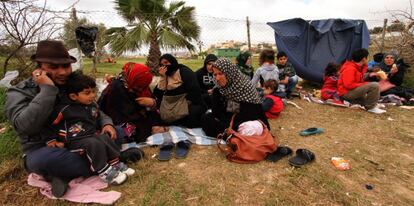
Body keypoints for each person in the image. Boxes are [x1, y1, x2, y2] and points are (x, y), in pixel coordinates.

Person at [5, 40, 114, 197]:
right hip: (47, 148)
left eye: (66, 66)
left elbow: (92, 108)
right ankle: (109, 160)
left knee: (115, 132)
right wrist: (47, 90)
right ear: (39, 67)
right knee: (41, 161)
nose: (62, 72)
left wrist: (106, 123)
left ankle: (67, 173)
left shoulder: (73, 84)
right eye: (54, 67)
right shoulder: (19, 92)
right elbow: (25, 127)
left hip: (81, 140)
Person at [42, 72, 133, 185]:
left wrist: (106, 124)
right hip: (74, 141)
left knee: (105, 138)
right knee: (93, 143)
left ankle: (115, 164)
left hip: (92, 135)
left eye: (94, 91)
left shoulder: (92, 105)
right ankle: (104, 171)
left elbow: (100, 116)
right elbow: (48, 124)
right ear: (73, 96)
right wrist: (51, 140)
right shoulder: (64, 109)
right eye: (87, 93)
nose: (93, 95)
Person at [153, 54, 206, 161]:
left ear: (173, 62)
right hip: (171, 104)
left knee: (193, 114)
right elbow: (158, 94)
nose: (164, 66)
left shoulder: (183, 71)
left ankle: (182, 133)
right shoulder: (165, 75)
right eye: (161, 64)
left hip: (187, 103)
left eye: (166, 63)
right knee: (160, 112)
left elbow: (195, 92)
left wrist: (183, 104)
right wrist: (163, 77)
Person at [201, 58, 270, 137]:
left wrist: (227, 118)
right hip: (229, 119)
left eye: (220, 74)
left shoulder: (244, 86)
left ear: (229, 73)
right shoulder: (219, 88)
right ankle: (229, 134)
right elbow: (216, 113)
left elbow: (253, 112)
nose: (217, 78)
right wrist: (216, 95)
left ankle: (232, 136)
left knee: (249, 128)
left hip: (245, 120)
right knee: (205, 117)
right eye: (215, 74)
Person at [99, 62, 163, 144]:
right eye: (138, 86)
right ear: (133, 79)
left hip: (136, 115)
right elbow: (120, 113)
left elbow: (152, 105)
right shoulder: (116, 87)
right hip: (118, 118)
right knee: (135, 131)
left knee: (158, 119)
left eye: (143, 87)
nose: (140, 90)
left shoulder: (143, 86)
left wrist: (151, 103)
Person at [337, 48, 386, 114]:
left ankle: (360, 103)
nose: (368, 59)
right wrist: (365, 84)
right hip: (346, 93)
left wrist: (370, 73)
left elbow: (361, 76)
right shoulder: (350, 69)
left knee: (366, 100)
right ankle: (371, 108)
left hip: (350, 92)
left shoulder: (358, 67)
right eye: (367, 57)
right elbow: (348, 85)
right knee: (375, 85)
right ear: (364, 59)